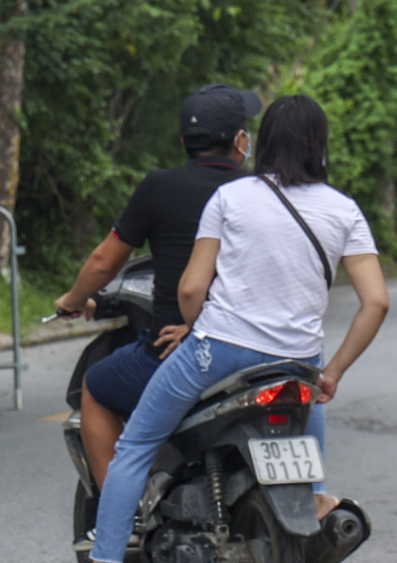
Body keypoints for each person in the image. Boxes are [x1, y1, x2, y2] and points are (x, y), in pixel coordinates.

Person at [57, 93, 389, 563]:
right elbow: (376, 302)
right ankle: (317, 501)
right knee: (307, 424)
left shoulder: (234, 198)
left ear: (261, 142)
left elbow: (191, 289)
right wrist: (336, 369)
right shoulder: (343, 209)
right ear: (320, 146)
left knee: (137, 443)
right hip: (297, 363)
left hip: (219, 353)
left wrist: (193, 328)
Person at [54, 84, 259, 488]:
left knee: (96, 386)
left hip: (172, 351)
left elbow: (103, 262)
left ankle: (122, 508)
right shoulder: (263, 191)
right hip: (257, 347)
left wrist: (73, 300)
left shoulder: (159, 187)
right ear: (239, 141)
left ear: (185, 142)